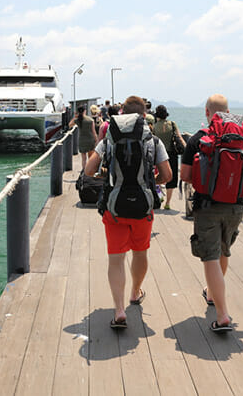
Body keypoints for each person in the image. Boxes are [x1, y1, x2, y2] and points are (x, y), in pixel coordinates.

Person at [180, 94, 243, 333]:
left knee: (209, 256)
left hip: (207, 207)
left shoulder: (199, 139)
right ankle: (212, 294)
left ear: (208, 112)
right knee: (223, 250)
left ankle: (222, 315)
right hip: (236, 206)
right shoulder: (242, 139)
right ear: (228, 111)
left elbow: (185, 176)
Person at [85, 96, 172, 329]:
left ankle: (119, 309)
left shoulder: (109, 141)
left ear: (122, 113)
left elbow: (88, 170)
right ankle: (135, 292)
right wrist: (148, 182)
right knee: (140, 252)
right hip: (143, 207)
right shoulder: (153, 140)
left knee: (116, 259)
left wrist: (109, 179)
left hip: (114, 207)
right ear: (144, 115)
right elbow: (168, 176)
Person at [152, 105, 185, 210]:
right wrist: (187, 149)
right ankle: (168, 203)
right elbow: (179, 137)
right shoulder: (172, 124)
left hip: (158, 155)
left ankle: (159, 195)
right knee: (171, 178)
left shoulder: (154, 126)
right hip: (172, 154)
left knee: (157, 175)